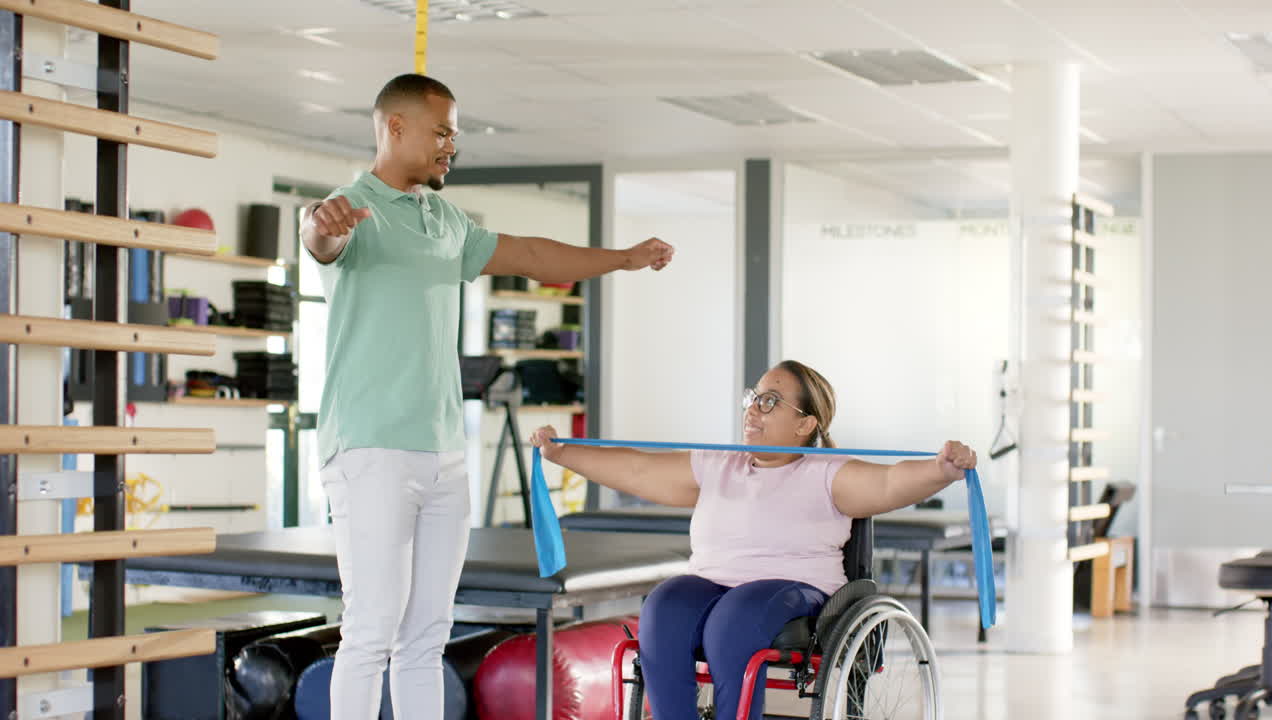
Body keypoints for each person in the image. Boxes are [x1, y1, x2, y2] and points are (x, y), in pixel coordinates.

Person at [299, 73, 674, 720]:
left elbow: (531, 253)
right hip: (370, 446)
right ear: (395, 127)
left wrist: (621, 259)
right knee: (370, 630)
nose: (452, 145)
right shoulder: (349, 206)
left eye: (456, 133)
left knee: (426, 635)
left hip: (443, 452)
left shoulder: (443, 217)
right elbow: (321, 238)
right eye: (441, 131)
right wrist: (320, 224)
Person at [529, 359, 978, 720]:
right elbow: (637, 469)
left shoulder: (827, 472)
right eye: (753, 398)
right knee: (663, 605)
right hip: (710, 583)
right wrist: (561, 453)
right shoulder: (719, 463)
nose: (752, 409)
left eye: (770, 401)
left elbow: (890, 483)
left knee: (736, 617)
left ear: (805, 425)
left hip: (792, 588)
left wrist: (942, 469)